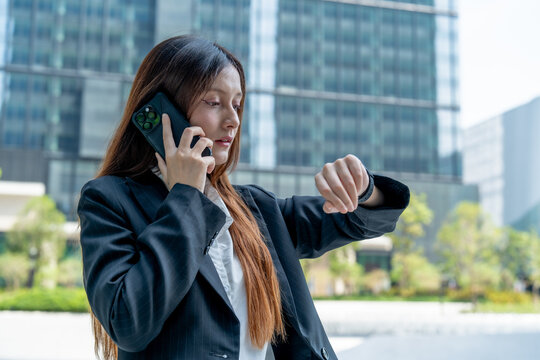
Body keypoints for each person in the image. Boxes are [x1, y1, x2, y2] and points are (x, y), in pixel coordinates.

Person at [77, 35, 409, 360]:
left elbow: (361, 220)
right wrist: (186, 196)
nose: (233, 119)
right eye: (214, 102)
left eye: (237, 104)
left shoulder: (257, 210)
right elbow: (129, 322)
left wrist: (362, 188)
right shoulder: (109, 200)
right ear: (163, 109)